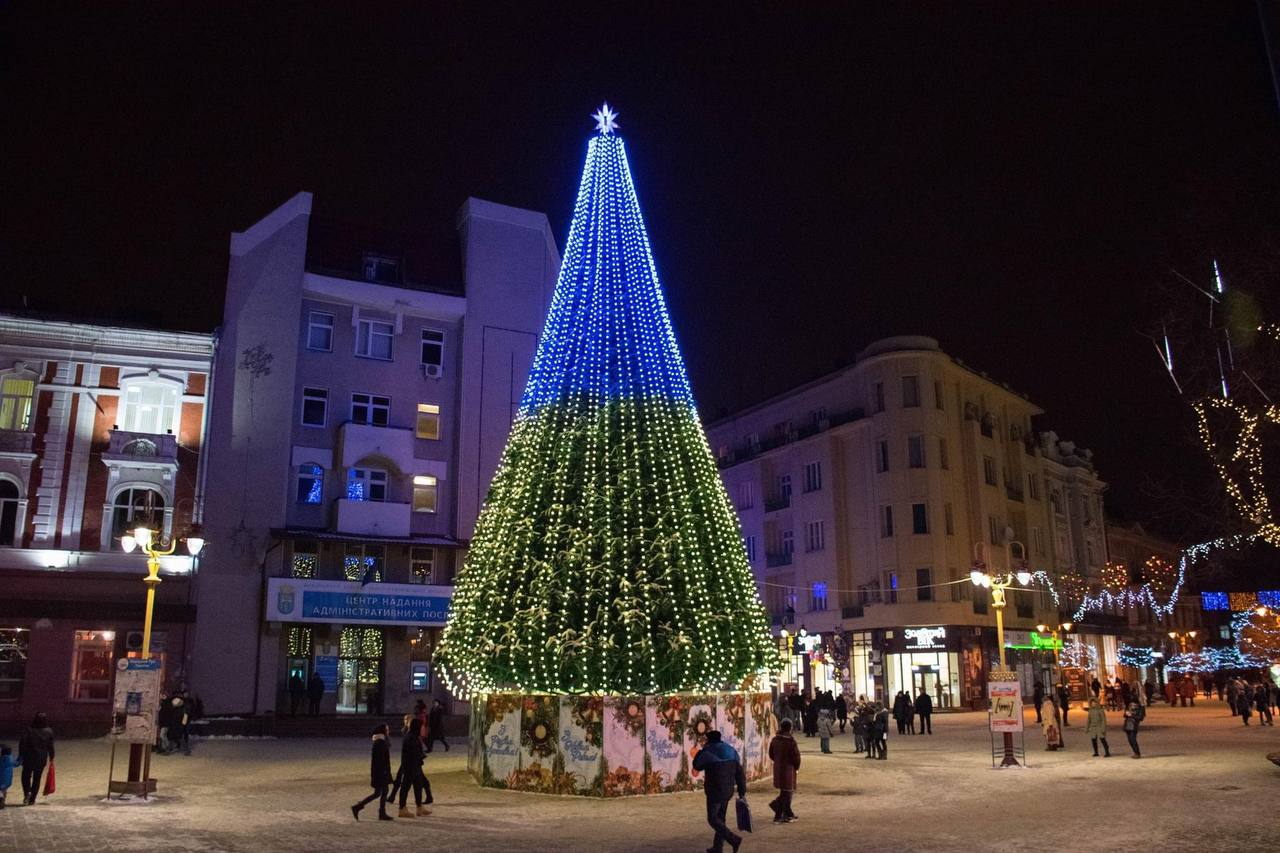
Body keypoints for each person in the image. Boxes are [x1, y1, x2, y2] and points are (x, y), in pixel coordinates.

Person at [693, 729, 746, 851]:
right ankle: (717, 847)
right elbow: (739, 773)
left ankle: (733, 839)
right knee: (721, 818)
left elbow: (696, 765)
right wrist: (742, 791)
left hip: (714, 790)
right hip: (728, 790)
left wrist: (701, 751)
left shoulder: (708, 751)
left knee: (712, 819)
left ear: (709, 740)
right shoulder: (731, 750)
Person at [351, 723, 394, 821]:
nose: (388, 731)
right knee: (380, 792)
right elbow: (381, 760)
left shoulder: (381, 742)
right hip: (380, 772)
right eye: (387, 730)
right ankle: (362, 808)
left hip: (380, 772)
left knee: (380, 792)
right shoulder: (380, 743)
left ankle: (377, 811)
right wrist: (385, 772)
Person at [396, 715, 431, 818]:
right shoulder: (410, 737)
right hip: (410, 766)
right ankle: (402, 808)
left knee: (418, 786)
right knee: (405, 787)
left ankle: (419, 807)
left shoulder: (414, 737)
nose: (422, 729)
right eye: (421, 727)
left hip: (415, 766)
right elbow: (411, 753)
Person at [766, 719, 800, 823]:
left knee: (785, 791)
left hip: (778, 768)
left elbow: (771, 754)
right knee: (786, 792)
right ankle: (778, 814)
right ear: (790, 728)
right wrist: (796, 767)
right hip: (788, 770)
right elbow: (796, 757)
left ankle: (787, 813)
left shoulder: (775, 740)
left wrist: (777, 761)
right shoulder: (791, 742)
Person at [18, 713, 53, 806]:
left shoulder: (28, 730)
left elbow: (22, 743)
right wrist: (52, 757)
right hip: (41, 758)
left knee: (25, 776)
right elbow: (50, 746)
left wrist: (20, 755)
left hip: (28, 757)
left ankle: (27, 793)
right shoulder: (49, 731)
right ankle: (32, 799)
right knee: (37, 779)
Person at [1122, 688, 1144, 758]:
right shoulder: (1128, 706)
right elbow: (1124, 715)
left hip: (1134, 725)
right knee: (1130, 740)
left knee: (1133, 739)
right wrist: (1126, 714)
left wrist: (1132, 715)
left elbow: (1140, 718)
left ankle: (1137, 753)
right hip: (1127, 724)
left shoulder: (1140, 707)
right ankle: (1135, 752)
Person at [0, 744, 18, 809]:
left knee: (1, 790)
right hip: (6, 780)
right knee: (4, 790)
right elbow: (17, 764)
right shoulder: (10, 760)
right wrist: (21, 758)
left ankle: (1, 800)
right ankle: (2, 802)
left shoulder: (1, 759)